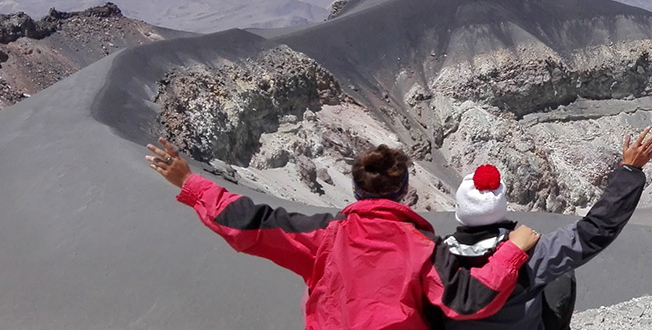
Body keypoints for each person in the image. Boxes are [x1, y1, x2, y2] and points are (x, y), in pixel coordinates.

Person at [145, 139, 540, 329]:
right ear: (404, 192)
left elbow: (247, 221)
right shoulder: (423, 248)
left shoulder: (323, 235)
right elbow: (471, 300)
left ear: (355, 190)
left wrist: (191, 183)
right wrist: (513, 250)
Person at [430, 127, 652, 330]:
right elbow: (596, 230)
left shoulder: (434, 259)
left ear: (460, 210)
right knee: (559, 273)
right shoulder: (530, 254)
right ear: (501, 208)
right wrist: (630, 171)